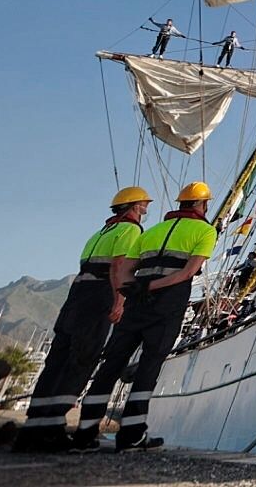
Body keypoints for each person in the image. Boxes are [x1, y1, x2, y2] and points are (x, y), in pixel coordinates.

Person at [74, 182, 217, 452]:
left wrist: (134, 288)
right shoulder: (205, 230)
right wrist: (152, 287)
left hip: (136, 303)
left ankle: (84, 434)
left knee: (111, 364)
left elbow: (125, 269)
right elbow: (187, 273)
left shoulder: (152, 231)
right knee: (149, 365)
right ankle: (132, 434)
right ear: (203, 204)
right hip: (167, 304)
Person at [12, 188, 150, 453]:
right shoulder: (130, 230)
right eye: (143, 204)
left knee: (57, 359)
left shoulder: (100, 233)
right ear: (133, 206)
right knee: (82, 360)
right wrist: (119, 301)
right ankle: (52, 430)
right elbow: (118, 266)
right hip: (98, 296)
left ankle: (33, 428)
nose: (145, 209)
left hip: (76, 296)